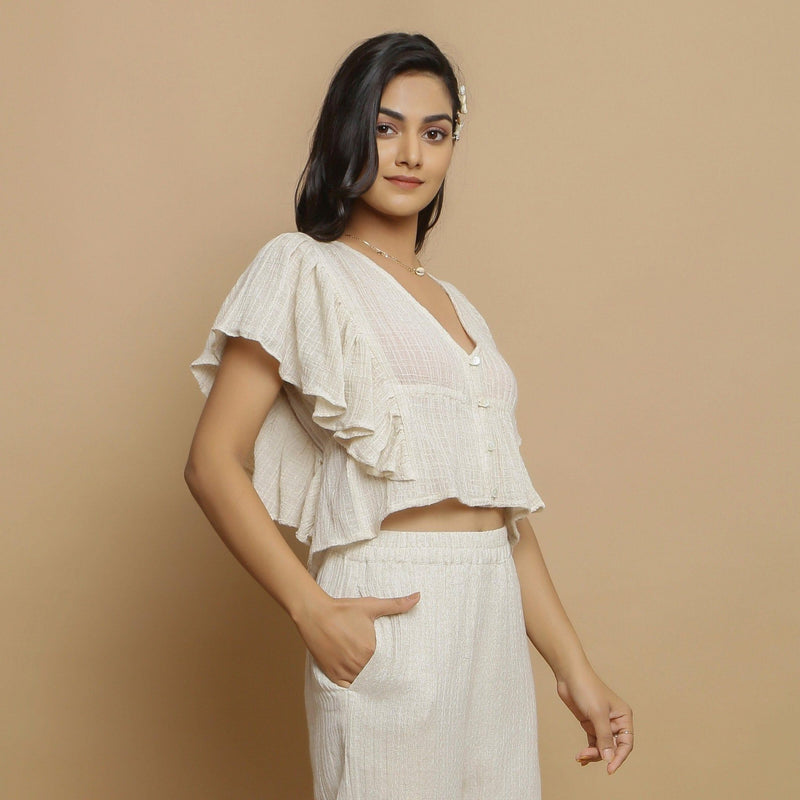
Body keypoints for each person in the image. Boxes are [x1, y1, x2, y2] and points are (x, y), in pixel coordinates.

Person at [185, 31, 633, 800]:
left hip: (490, 620)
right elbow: (212, 461)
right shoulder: (303, 267)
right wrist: (310, 608)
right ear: (347, 131)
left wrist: (576, 671)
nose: (410, 154)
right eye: (385, 127)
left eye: (434, 133)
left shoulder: (463, 313)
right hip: (391, 609)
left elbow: (500, 516)